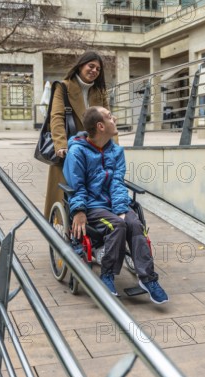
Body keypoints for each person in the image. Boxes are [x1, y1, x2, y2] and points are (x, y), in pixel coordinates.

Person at [63, 106, 169, 304]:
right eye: (110, 117)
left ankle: (147, 279)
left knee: (135, 224)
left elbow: (117, 182)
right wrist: (78, 210)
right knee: (117, 225)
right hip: (92, 205)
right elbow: (76, 185)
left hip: (114, 202)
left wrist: (121, 209)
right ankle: (107, 276)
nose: (115, 118)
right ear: (101, 126)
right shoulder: (77, 152)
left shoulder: (116, 151)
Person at [43, 51, 114, 218]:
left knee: (98, 186)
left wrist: (113, 147)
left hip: (94, 147)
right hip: (71, 146)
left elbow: (108, 119)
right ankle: (62, 226)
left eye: (98, 68)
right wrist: (60, 145)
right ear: (81, 65)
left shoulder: (100, 91)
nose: (94, 70)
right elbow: (57, 117)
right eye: (91, 66)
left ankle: (95, 223)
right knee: (67, 191)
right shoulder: (63, 87)